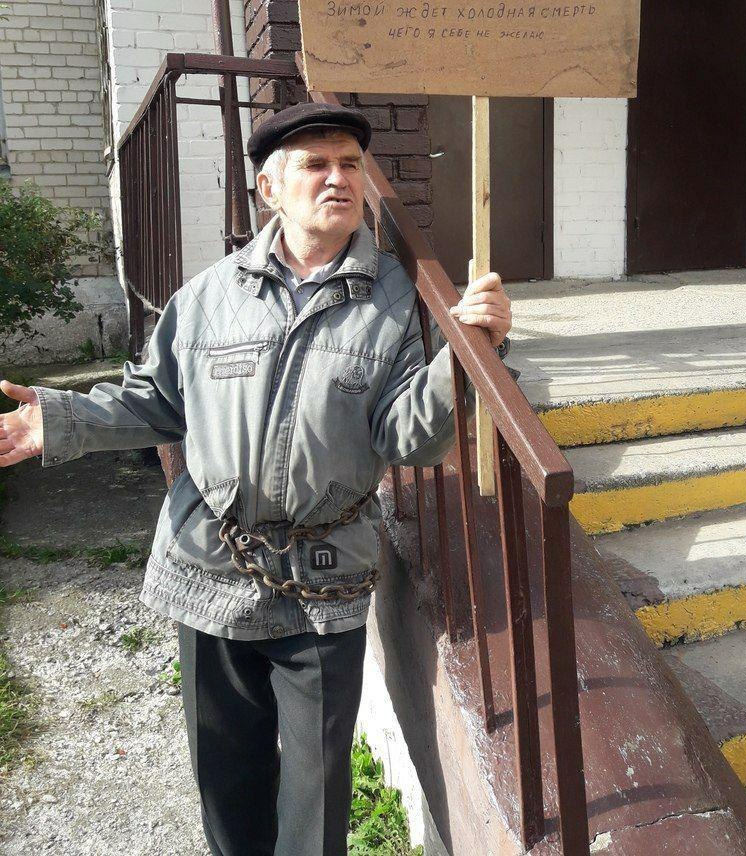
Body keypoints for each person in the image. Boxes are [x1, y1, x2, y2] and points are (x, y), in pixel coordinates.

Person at [0, 102, 512, 856]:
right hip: (209, 568)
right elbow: (154, 401)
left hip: (324, 583)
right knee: (226, 778)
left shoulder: (395, 303)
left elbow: (405, 435)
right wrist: (61, 418)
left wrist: (467, 353)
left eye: (349, 164)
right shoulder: (208, 298)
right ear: (270, 189)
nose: (338, 178)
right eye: (316, 164)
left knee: (316, 798)